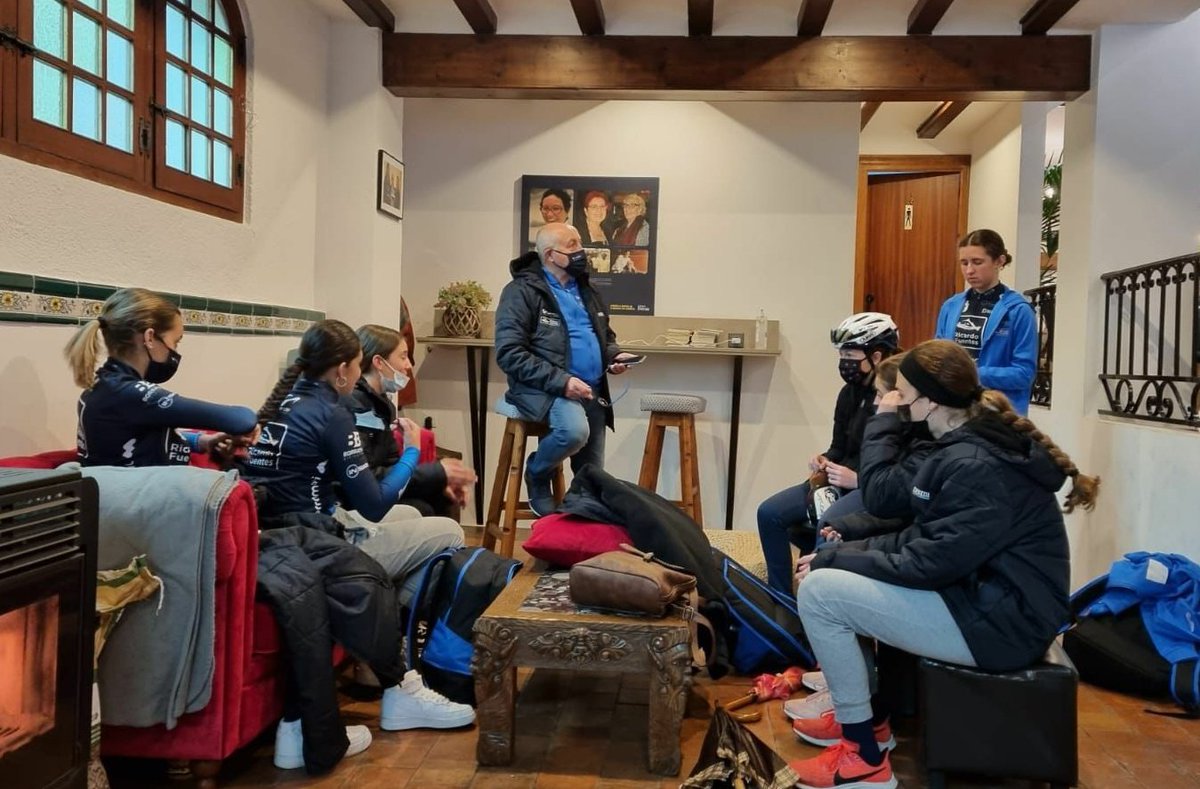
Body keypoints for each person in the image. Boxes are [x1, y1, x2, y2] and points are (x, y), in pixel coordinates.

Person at [787, 339, 1099, 789]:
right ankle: (870, 724)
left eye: (901, 395)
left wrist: (837, 562)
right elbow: (927, 536)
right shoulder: (967, 446)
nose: (892, 403)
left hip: (1003, 626)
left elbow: (926, 561)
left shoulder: (976, 463)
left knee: (821, 594)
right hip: (983, 602)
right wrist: (842, 555)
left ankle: (863, 762)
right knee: (831, 574)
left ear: (929, 402)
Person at [245, 320, 474, 737]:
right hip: (320, 540)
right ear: (344, 371)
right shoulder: (332, 412)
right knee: (449, 532)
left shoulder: (281, 403)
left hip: (283, 535)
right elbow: (373, 501)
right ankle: (401, 675)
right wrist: (409, 456)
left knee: (416, 518)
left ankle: (378, 658)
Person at [495, 222, 638, 516]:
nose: (581, 252)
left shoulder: (587, 289)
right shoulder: (521, 292)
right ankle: (536, 471)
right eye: (572, 245)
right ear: (550, 254)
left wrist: (614, 355)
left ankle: (573, 532)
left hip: (591, 389)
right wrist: (563, 382)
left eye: (580, 244)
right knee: (574, 432)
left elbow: (603, 336)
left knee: (591, 476)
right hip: (546, 389)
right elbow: (509, 353)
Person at [756, 312, 900, 595]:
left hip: (869, 486)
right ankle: (780, 598)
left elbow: (898, 468)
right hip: (838, 476)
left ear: (877, 355)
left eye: (850, 354)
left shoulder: (895, 400)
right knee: (769, 512)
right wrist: (823, 459)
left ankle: (818, 600)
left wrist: (857, 479)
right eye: (841, 354)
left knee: (828, 523)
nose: (844, 362)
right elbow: (839, 446)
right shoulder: (848, 393)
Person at [64, 287, 258, 467]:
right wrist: (247, 427)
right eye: (175, 341)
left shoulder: (102, 385)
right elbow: (241, 419)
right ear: (149, 338)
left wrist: (202, 441)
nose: (174, 351)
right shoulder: (131, 394)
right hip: (140, 502)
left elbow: (138, 436)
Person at [348, 324, 477, 520]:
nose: (409, 365)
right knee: (422, 508)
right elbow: (367, 477)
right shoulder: (355, 405)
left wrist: (439, 481)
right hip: (352, 500)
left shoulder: (383, 405)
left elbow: (391, 465)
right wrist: (438, 472)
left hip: (374, 492)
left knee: (441, 495)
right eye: (403, 356)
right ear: (379, 362)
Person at [935, 229, 1038, 414]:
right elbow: (938, 357)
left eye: (977, 262)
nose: (969, 270)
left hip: (998, 413)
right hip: (953, 408)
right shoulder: (950, 306)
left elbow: (1024, 374)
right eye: (964, 263)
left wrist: (972, 373)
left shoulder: (1018, 310)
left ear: (999, 261)